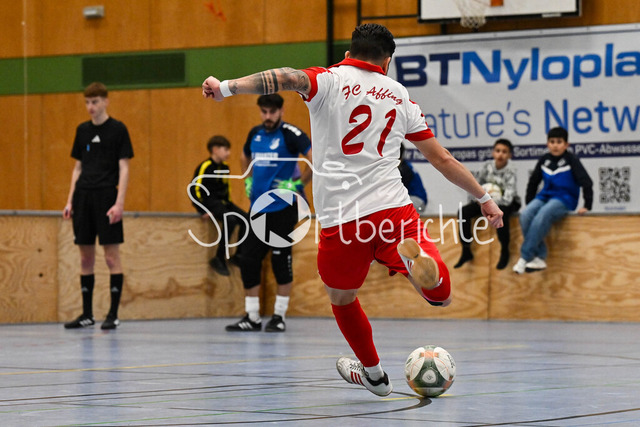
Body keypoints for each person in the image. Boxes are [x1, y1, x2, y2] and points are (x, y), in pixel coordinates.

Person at [202, 23, 503, 395]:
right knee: (443, 297)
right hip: (393, 211)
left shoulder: (328, 80)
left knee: (342, 298)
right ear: (386, 62)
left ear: (348, 53)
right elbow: (442, 159)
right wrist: (484, 198)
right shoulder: (400, 96)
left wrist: (226, 87)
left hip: (342, 220)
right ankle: (424, 275)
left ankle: (375, 375)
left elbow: (287, 77)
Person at [224, 94, 313, 333]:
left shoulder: (291, 134)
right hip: (258, 208)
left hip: (283, 208)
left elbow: (314, 158)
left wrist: (297, 184)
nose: (268, 116)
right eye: (264, 112)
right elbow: (244, 156)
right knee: (248, 260)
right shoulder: (255, 134)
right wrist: (247, 180)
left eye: (272, 112)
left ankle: (278, 316)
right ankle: (252, 317)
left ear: (281, 111)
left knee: (280, 261)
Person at [62, 82, 134, 330]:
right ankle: (87, 314)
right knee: (85, 258)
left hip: (106, 197)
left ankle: (112, 314)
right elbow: (77, 168)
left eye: (94, 102)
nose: (90, 107)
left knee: (111, 257)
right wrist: (70, 200)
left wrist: (119, 203)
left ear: (105, 101)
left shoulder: (118, 129)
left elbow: (124, 168)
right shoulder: (82, 130)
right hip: (83, 197)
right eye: (87, 102)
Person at [513, 127, 593, 274]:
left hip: (564, 199)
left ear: (566, 145)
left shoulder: (572, 160)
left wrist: (587, 205)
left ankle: (525, 257)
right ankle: (539, 257)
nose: (555, 145)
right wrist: (530, 203)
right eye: (552, 142)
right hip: (545, 196)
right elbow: (533, 182)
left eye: (559, 142)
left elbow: (586, 182)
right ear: (547, 144)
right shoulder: (544, 160)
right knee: (525, 215)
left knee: (543, 214)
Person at [454, 138, 520, 270]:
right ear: (493, 152)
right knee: (463, 212)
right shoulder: (486, 166)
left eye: (504, 152)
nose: (500, 154)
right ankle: (466, 250)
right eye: (498, 151)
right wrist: (481, 201)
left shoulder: (511, 171)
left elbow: (508, 198)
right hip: (486, 201)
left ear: (509, 155)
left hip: (506, 202)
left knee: (501, 213)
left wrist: (491, 204)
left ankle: (505, 250)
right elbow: (476, 186)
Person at [190, 135, 248, 276]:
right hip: (210, 202)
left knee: (246, 219)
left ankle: (238, 255)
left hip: (223, 202)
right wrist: (202, 210)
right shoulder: (206, 166)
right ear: (215, 149)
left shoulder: (225, 167)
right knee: (230, 220)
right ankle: (219, 257)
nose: (228, 153)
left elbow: (226, 187)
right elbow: (194, 189)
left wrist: (229, 204)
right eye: (225, 150)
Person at [399, 144, 428, 213]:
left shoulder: (405, 169)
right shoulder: (403, 166)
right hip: (411, 199)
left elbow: (398, 192)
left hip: (417, 200)